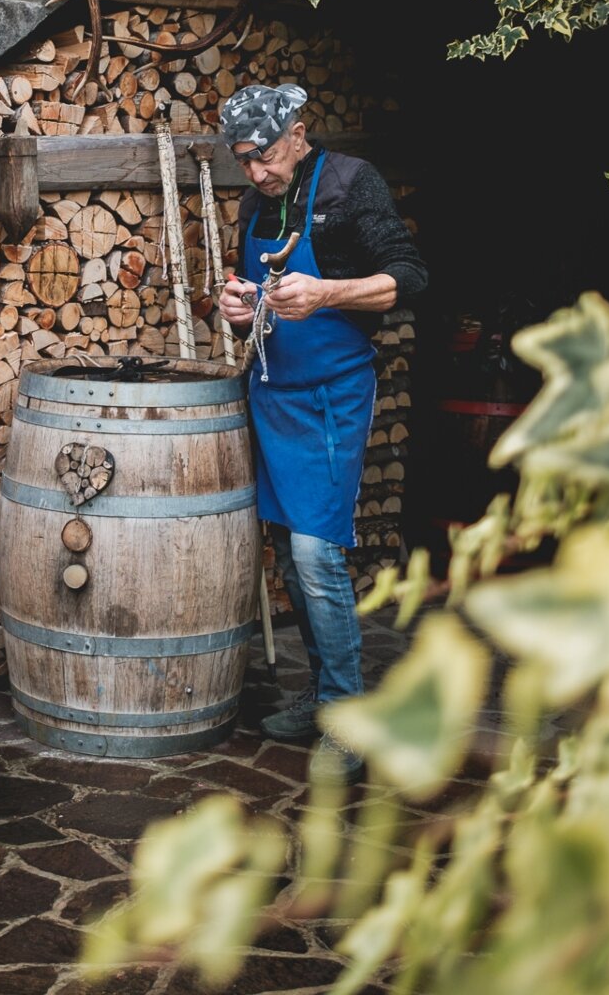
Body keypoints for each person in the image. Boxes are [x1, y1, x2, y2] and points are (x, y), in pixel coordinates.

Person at [215, 84, 427, 770]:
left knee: (315, 553)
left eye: (266, 156)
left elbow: (409, 276)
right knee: (288, 555)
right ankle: (322, 696)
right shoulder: (255, 203)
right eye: (245, 161)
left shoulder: (349, 184)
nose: (257, 172)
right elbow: (255, 299)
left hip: (333, 395)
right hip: (273, 396)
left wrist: (328, 292)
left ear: (298, 135)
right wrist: (237, 307)